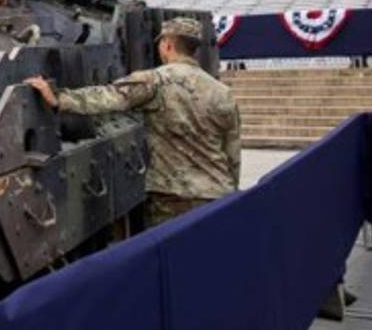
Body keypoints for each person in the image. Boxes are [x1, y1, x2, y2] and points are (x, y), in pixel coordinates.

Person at [24, 16, 241, 227]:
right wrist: (230, 190)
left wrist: (58, 98)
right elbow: (232, 152)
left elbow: (107, 97)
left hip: (172, 199)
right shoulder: (222, 92)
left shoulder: (154, 81)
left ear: (167, 45)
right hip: (217, 195)